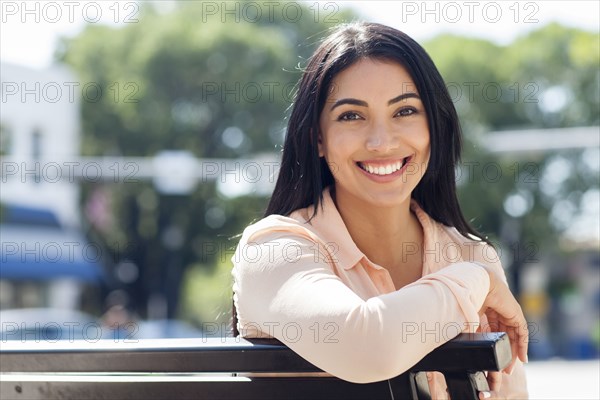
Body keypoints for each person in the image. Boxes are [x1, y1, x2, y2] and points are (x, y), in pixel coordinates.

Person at [231, 22, 528, 399]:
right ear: (317, 139)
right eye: (352, 116)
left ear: (434, 128)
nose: (381, 141)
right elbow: (368, 344)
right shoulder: (274, 249)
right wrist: (474, 282)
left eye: (404, 111)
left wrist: (475, 272)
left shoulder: (470, 255)